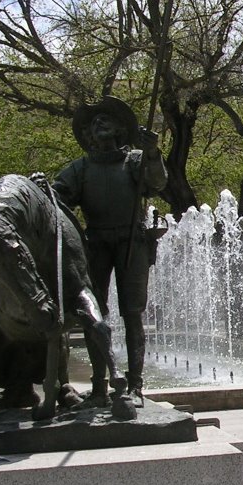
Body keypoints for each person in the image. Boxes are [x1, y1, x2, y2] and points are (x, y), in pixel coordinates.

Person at [53, 96, 167, 401]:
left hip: (132, 243)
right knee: (94, 315)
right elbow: (56, 197)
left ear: (120, 130)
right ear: (88, 135)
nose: (99, 124)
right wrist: (43, 187)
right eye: (93, 122)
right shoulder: (81, 168)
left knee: (133, 314)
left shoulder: (134, 161)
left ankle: (135, 385)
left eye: (106, 120)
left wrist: (153, 153)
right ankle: (100, 385)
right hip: (96, 246)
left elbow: (156, 184)